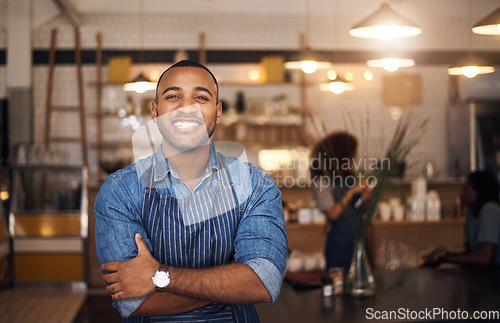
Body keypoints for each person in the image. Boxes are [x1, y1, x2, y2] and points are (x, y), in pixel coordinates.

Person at [94, 60, 288, 322]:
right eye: (173, 96)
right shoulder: (121, 190)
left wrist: (160, 277)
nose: (187, 107)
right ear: (155, 111)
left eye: (200, 97)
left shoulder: (255, 185)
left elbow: (264, 282)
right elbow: (133, 301)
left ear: (217, 112)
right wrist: (234, 282)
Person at [310, 131, 372, 273]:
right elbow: (332, 213)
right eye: (352, 153)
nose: (354, 157)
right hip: (340, 244)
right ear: (341, 155)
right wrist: (351, 192)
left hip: (360, 240)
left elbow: (361, 210)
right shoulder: (322, 180)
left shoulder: (349, 176)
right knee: (339, 288)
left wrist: (367, 198)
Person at [423, 170, 500, 267]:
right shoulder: (470, 213)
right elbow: (470, 252)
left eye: (465, 189)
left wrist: (446, 258)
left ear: (476, 192)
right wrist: (444, 255)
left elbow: (484, 258)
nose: (461, 193)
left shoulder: (490, 210)